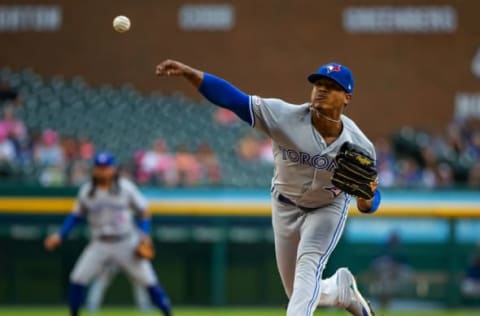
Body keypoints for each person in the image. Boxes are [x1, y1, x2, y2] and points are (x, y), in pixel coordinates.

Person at [155, 60, 381, 315]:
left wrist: (367, 197)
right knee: (296, 291)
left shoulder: (360, 145)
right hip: (285, 205)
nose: (321, 89)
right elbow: (233, 100)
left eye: (331, 86)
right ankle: (341, 290)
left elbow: (368, 202)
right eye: (318, 84)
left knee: (309, 266)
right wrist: (191, 73)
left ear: (347, 97)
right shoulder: (284, 116)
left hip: (326, 209)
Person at [44, 151, 171, 316]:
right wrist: (60, 234)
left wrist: (145, 235)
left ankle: (168, 313)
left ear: (113, 169)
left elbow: (144, 212)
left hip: (126, 242)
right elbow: (76, 216)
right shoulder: (87, 191)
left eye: (106, 167)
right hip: (99, 243)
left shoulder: (126, 188)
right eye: (99, 167)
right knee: (77, 279)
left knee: (150, 282)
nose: (102, 171)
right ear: (95, 169)